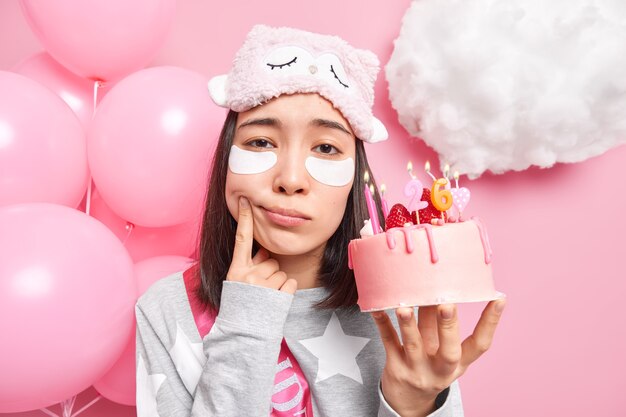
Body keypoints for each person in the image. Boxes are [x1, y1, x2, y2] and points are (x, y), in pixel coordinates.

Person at [135, 25, 505, 417]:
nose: (291, 180)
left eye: (326, 148)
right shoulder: (168, 310)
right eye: (260, 142)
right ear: (227, 156)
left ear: (356, 175)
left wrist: (412, 404)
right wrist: (245, 328)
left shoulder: (404, 306)